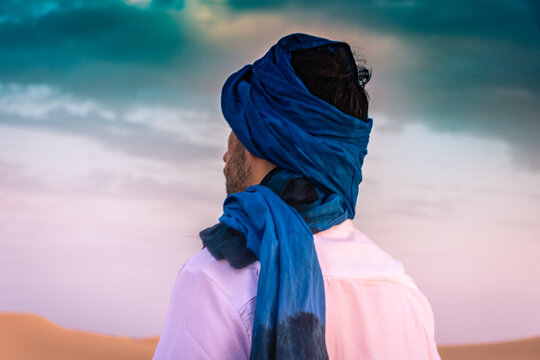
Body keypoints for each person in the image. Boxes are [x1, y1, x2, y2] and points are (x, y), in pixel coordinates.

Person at [153, 33, 441, 360]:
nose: (225, 153)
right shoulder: (401, 292)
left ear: (262, 139)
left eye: (236, 128)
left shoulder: (215, 281)